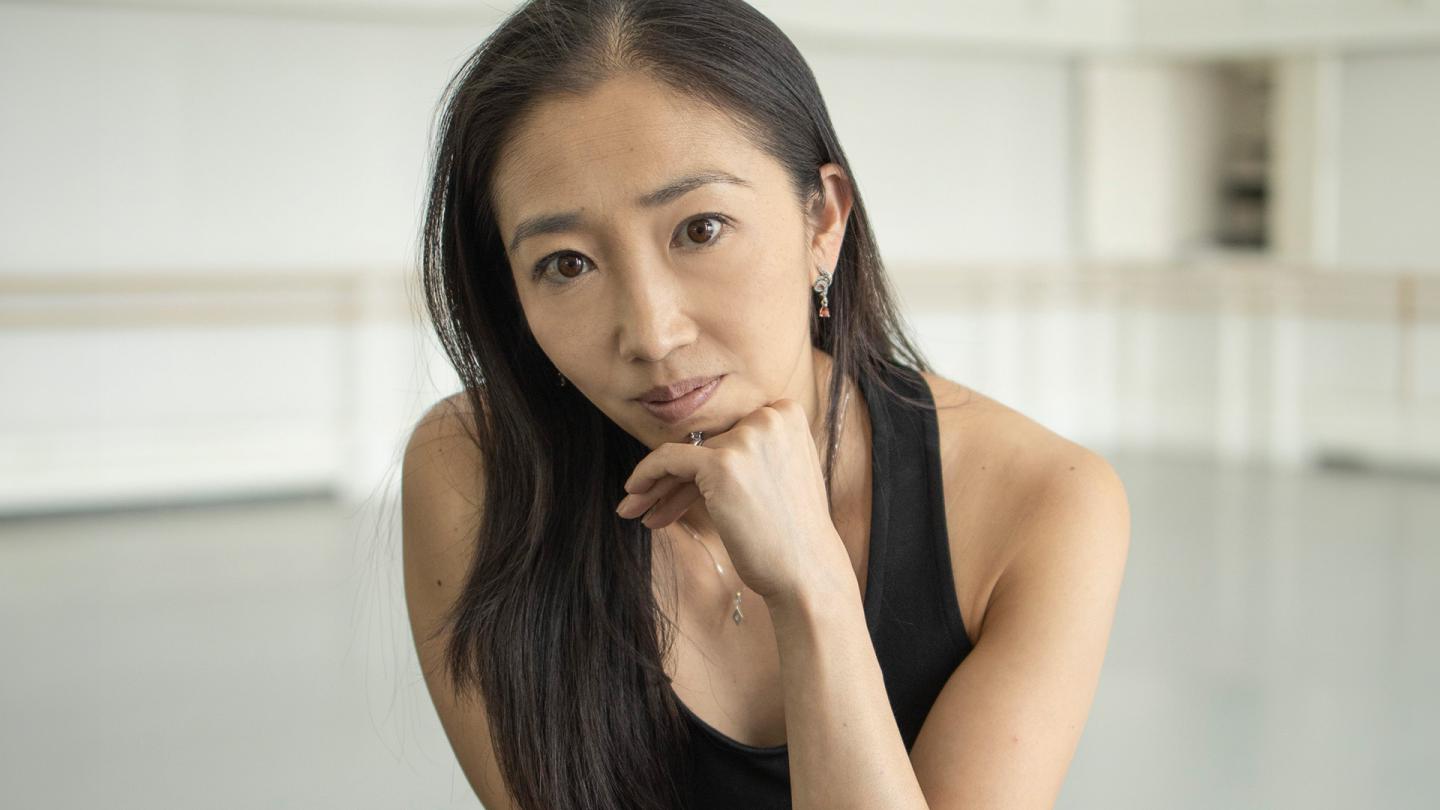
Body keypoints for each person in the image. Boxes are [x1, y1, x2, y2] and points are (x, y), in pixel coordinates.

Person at [400, 1, 1131, 808]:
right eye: (567, 264)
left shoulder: (1045, 500)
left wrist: (814, 589)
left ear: (823, 219)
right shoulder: (476, 468)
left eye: (701, 229)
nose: (651, 333)